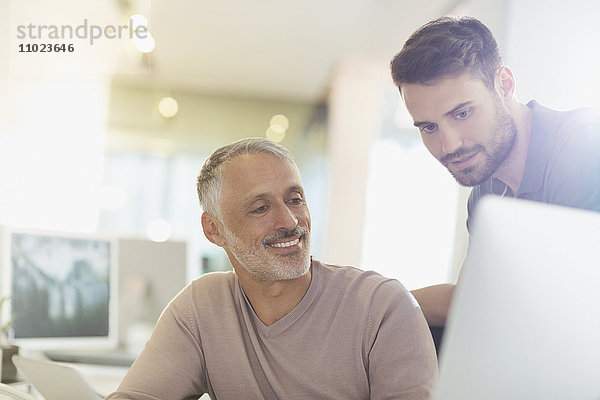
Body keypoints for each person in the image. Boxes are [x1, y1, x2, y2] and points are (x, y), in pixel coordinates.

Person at [106, 138, 437, 400]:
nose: (290, 222)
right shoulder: (201, 307)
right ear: (213, 229)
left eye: (295, 199)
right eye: (261, 208)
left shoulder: (383, 308)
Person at [389, 16, 600, 328]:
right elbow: (472, 300)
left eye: (462, 113)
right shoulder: (486, 193)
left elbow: (569, 306)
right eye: (429, 127)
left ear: (504, 86)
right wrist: (374, 302)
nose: (449, 145)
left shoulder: (585, 149)